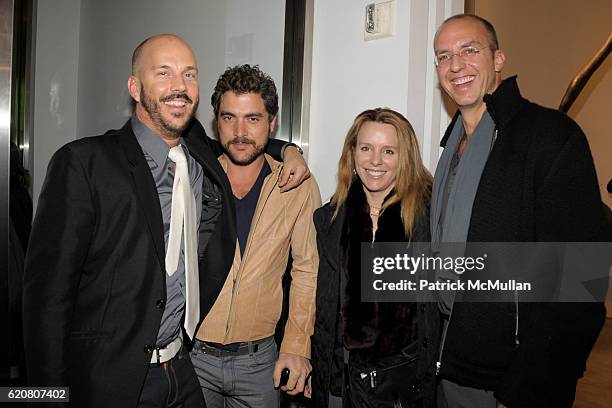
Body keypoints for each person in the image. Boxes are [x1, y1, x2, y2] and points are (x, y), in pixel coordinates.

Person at [22, 34, 308, 408]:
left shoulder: (199, 155)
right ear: (135, 88)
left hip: (182, 370)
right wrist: (46, 396)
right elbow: (46, 297)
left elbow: (245, 139)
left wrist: (290, 150)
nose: (179, 86)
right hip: (112, 379)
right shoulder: (84, 163)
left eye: (189, 75)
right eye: (164, 73)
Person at [430, 14, 609, 407]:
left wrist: (530, 386)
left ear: (498, 59)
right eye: (443, 56)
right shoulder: (450, 149)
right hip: (448, 364)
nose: (455, 65)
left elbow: (583, 278)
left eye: (469, 50)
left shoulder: (550, 137)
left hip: (509, 379)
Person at [190, 64, 320, 408]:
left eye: (253, 118)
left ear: (271, 122)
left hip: (260, 362)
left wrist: (296, 346)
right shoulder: (194, 178)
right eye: (229, 117)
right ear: (216, 121)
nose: (240, 131)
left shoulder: (296, 185)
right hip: (192, 356)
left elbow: (308, 271)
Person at [309, 108, 440, 407]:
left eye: (388, 151)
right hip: (341, 380)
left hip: (405, 387)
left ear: (404, 157)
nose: (375, 161)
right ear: (352, 153)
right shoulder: (330, 220)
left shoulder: (431, 218)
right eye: (366, 148)